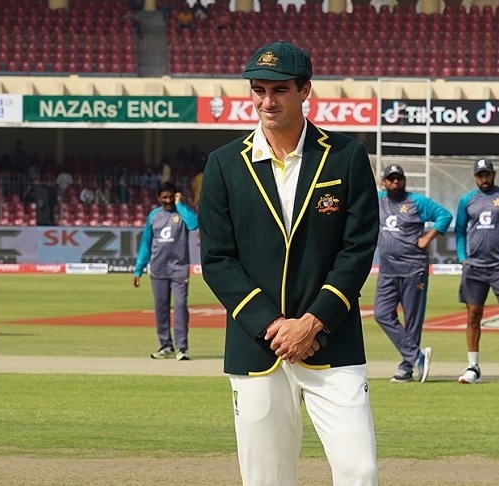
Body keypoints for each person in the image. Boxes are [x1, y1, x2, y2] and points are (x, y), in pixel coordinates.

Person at [198, 41, 379, 485]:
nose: (266, 101)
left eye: (279, 90)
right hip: (259, 346)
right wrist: (273, 326)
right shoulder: (223, 164)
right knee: (266, 479)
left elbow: (358, 249)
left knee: (360, 469)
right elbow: (217, 259)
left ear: (304, 90)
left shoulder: (346, 156)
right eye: (258, 90)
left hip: (330, 343)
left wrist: (313, 323)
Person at [374, 164, 452, 383]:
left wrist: (427, 238)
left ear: (404, 181)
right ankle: (417, 356)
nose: (395, 182)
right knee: (382, 314)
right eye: (391, 179)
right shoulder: (377, 200)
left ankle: (407, 367)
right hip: (388, 270)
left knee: (412, 320)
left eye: (399, 178)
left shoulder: (417, 202)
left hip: (413, 269)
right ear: (384, 182)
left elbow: (444, 215)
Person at [133, 181, 198, 361]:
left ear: (176, 196)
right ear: (158, 198)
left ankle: (182, 348)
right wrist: (138, 270)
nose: (168, 200)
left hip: (179, 268)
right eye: (165, 197)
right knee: (161, 309)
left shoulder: (183, 213)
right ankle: (165, 345)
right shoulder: (154, 215)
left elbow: (193, 225)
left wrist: (180, 204)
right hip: (158, 269)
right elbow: (146, 243)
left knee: (180, 306)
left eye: (171, 196)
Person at [454, 157, 499, 384]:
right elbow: (460, 230)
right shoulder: (467, 200)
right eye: (480, 175)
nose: (484, 178)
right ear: (475, 177)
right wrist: (463, 258)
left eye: (487, 174)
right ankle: (473, 367)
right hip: (475, 268)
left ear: (494, 174)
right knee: (473, 315)